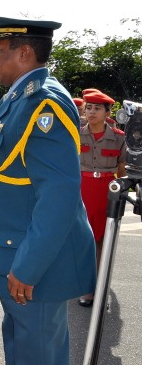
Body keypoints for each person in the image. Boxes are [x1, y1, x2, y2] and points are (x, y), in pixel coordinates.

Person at [0, 14, 96, 365]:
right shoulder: (18, 99)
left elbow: (58, 197)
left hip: (34, 268)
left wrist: (27, 268)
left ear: (24, 52)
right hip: (16, 255)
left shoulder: (44, 102)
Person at [77, 89, 126, 307]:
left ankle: (101, 286)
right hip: (82, 190)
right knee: (84, 241)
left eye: (97, 108)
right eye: (89, 107)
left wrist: (121, 193)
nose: (92, 112)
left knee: (102, 242)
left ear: (108, 112)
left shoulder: (118, 138)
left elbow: (123, 169)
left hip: (107, 192)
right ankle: (87, 288)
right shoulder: (76, 134)